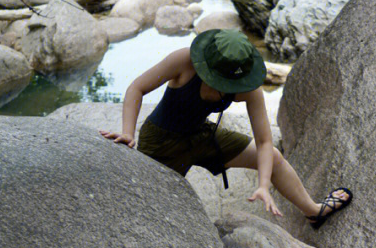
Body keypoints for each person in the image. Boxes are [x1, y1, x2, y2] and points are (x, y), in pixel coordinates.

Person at [99, 29, 352, 227]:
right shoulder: (184, 60)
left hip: (202, 136)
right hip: (161, 142)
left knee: (273, 158)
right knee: (148, 208)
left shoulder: (247, 86)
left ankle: (313, 212)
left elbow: (264, 141)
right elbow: (137, 88)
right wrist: (128, 132)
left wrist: (263, 184)